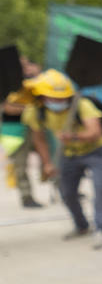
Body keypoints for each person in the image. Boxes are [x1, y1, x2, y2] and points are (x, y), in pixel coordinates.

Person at [24, 69, 102, 249]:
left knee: (99, 187)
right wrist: (48, 163)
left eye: (61, 98)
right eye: (54, 98)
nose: (58, 102)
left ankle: (101, 229)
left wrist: (73, 137)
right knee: (67, 193)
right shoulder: (35, 111)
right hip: (69, 155)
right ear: (42, 97)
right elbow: (39, 139)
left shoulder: (81, 105)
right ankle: (81, 226)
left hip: (97, 151)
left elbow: (96, 132)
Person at [4, 55, 43, 208]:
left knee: (50, 158)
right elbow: (7, 108)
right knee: (20, 165)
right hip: (15, 129)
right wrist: (30, 109)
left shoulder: (33, 82)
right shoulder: (6, 83)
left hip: (34, 127)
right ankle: (26, 197)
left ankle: (62, 189)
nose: (26, 69)